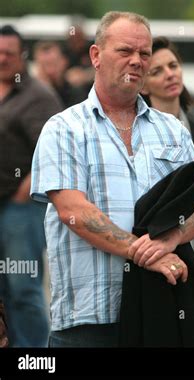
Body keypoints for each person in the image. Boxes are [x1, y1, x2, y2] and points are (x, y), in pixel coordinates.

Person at [30, 11, 194, 348]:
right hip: (89, 320)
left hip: (160, 312)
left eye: (144, 54)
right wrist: (145, 253)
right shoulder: (63, 128)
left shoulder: (172, 129)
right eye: (125, 51)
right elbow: (74, 211)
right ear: (96, 56)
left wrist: (170, 241)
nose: (137, 61)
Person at [0, 25, 63, 347]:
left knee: (23, 287)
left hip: (19, 209)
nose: (3, 58)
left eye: (9, 52)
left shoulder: (38, 95)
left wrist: (27, 186)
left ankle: (36, 355)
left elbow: (52, 148)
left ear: (21, 55)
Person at [140, 37, 194, 262]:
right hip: (149, 246)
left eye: (173, 66)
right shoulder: (136, 131)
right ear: (143, 86)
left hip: (193, 248)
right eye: (157, 71)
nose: (170, 74)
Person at [33, 41, 88, 108]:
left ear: (64, 62)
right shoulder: (30, 96)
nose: (50, 71)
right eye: (44, 66)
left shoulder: (75, 93)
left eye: (54, 64)